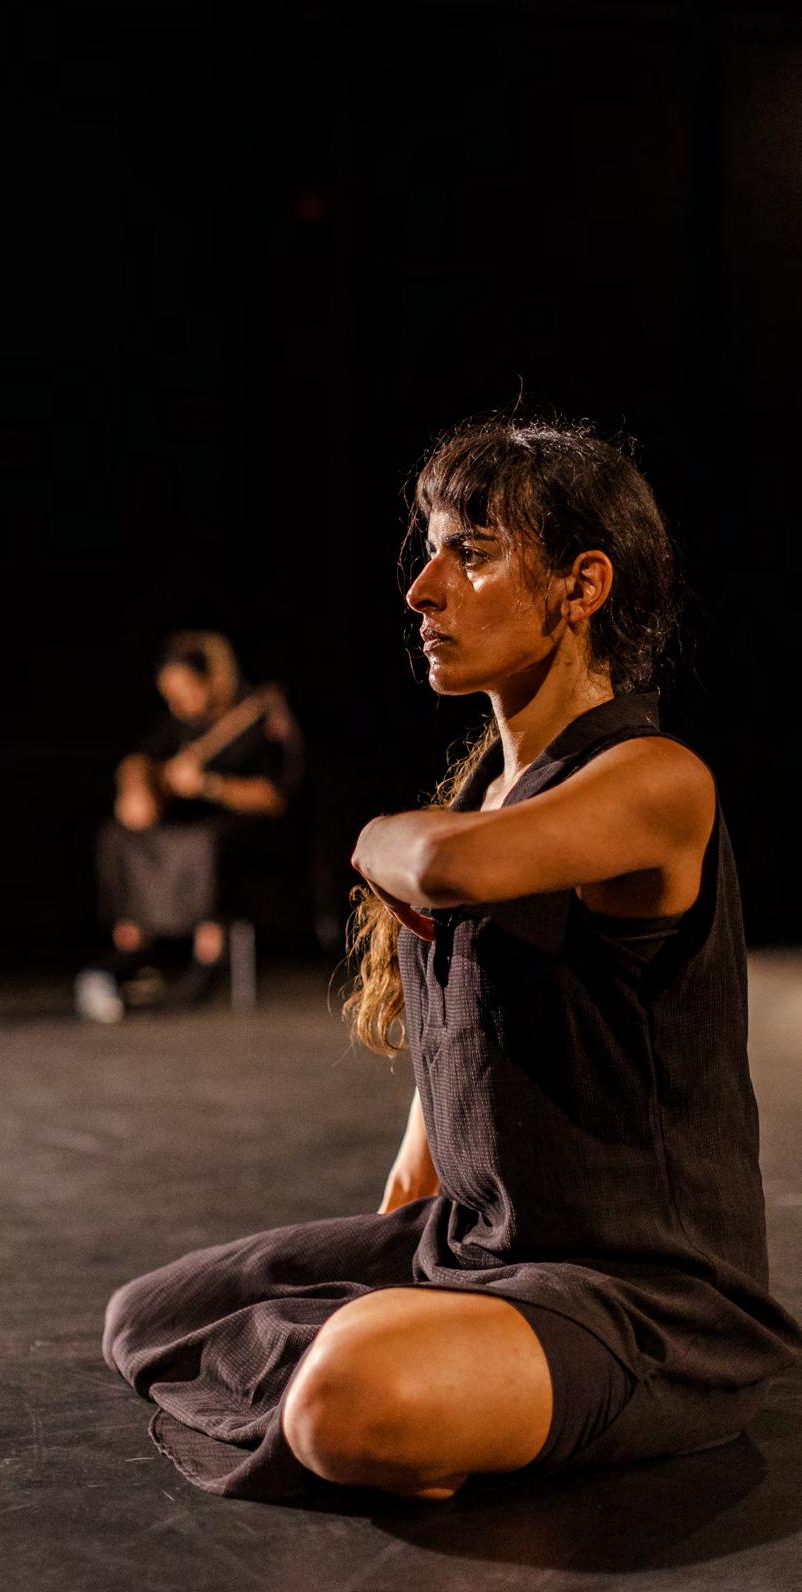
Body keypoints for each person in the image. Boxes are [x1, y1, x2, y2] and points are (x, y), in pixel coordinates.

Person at [102, 416, 800, 1502]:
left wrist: (372, 838)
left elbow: (435, 867)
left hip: (638, 1300)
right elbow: (459, 1053)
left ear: (582, 586)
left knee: (344, 1392)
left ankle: (409, 1398)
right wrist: (402, 1213)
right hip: (477, 1246)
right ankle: (428, 1382)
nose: (422, 590)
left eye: (469, 554)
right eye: (429, 553)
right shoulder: (488, 798)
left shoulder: (656, 781)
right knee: (147, 1315)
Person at [75, 631, 303, 1023]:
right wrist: (135, 790)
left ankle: (207, 957)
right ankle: (132, 947)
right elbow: (139, 759)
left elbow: (275, 797)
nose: (177, 702)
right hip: (190, 828)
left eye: (185, 690)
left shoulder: (257, 716)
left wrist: (209, 786)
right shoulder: (181, 722)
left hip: (246, 831)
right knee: (121, 835)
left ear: (212, 680)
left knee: (203, 845)